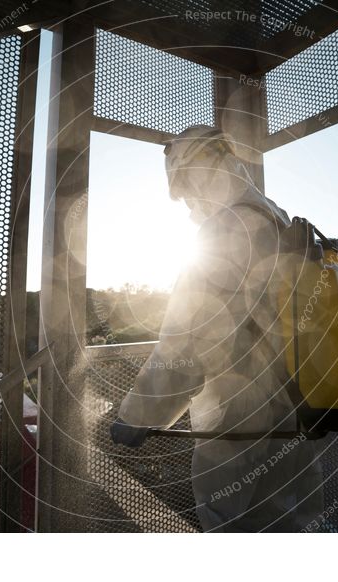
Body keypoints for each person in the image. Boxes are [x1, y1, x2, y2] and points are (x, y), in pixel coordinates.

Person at [109, 124, 325, 532]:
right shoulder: (273, 215)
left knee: (230, 524)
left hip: (240, 415)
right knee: (291, 522)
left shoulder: (227, 228)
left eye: (185, 188)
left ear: (197, 171)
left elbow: (184, 342)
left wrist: (138, 414)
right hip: (297, 402)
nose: (189, 203)